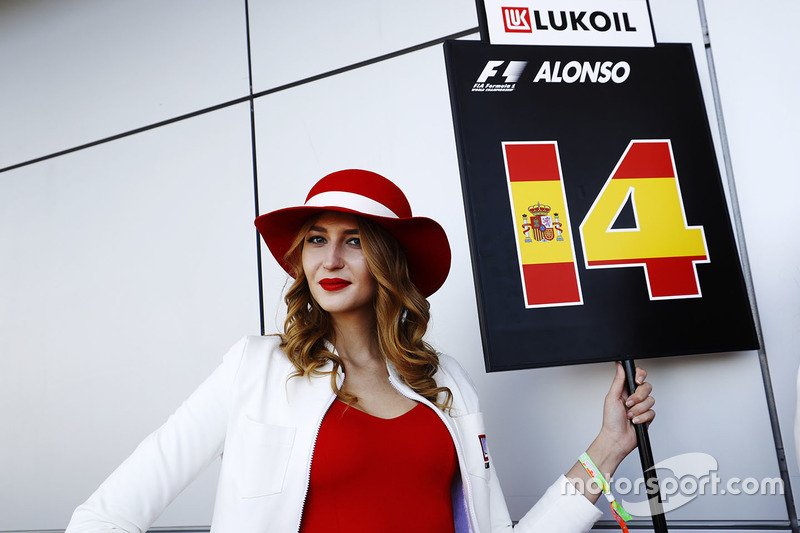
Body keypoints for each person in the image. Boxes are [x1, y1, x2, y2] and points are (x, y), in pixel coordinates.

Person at [66, 169, 655, 533]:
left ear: (387, 260)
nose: (330, 259)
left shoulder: (443, 379)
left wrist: (607, 448)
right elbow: (105, 517)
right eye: (317, 240)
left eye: (354, 241)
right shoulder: (256, 367)